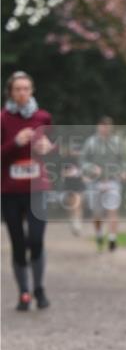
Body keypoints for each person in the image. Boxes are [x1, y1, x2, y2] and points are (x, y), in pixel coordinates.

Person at [1, 71, 54, 310]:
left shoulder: (43, 117)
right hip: (10, 190)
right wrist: (16, 143)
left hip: (38, 188)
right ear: (10, 92)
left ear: (32, 91)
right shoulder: (3, 119)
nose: (22, 93)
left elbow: (52, 153)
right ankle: (24, 292)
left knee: (36, 239)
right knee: (18, 242)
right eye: (17, 89)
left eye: (26, 88)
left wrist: (47, 148)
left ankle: (39, 289)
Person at [82, 116, 126, 250]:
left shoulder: (117, 142)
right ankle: (99, 234)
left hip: (112, 181)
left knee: (112, 209)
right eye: (102, 126)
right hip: (95, 182)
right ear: (98, 127)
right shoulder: (90, 143)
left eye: (107, 126)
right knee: (97, 213)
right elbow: (83, 162)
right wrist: (91, 168)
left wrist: (123, 171)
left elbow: (123, 159)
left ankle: (112, 238)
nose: (105, 129)